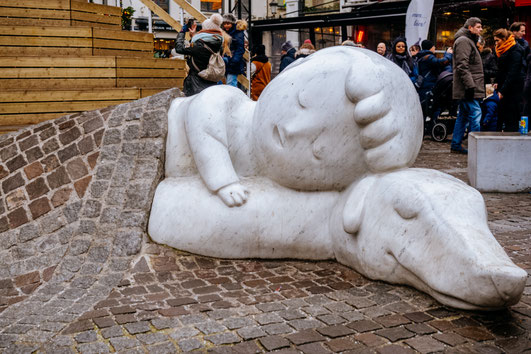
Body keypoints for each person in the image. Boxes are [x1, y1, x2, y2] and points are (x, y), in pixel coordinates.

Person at [450, 17, 485, 154]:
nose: (481, 29)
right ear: (470, 28)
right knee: (476, 115)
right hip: (469, 87)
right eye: (478, 27)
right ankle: (476, 148)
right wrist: (470, 86)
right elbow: (462, 66)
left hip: (468, 86)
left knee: (463, 116)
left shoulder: (467, 40)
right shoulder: (464, 41)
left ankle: (456, 144)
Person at [175, 14, 224, 96]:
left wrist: (182, 32)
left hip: (196, 84)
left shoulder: (199, 46)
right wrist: (194, 37)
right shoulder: (219, 44)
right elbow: (201, 51)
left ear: (206, 30)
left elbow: (179, 48)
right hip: (211, 84)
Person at [493, 28, 524, 132]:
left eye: (498, 40)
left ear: (505, 39)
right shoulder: (501, 49)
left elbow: (513, 73)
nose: (496, 43)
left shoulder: (515, 50)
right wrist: (497, 81)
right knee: (503, 114)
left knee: (511, 117)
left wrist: (503, 90)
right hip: (504, 86)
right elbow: (500, 69)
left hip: (513, 89)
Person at [222, 13, 245, 88]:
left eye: (228, 23)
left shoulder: (238, 33)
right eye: (224, 24)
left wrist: (234, 61)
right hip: (226, 61)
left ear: (232, 23)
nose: (226, 26)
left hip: (233, 62)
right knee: (227, 83)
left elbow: (240, 49)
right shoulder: (224, 32)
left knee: (231, 83)